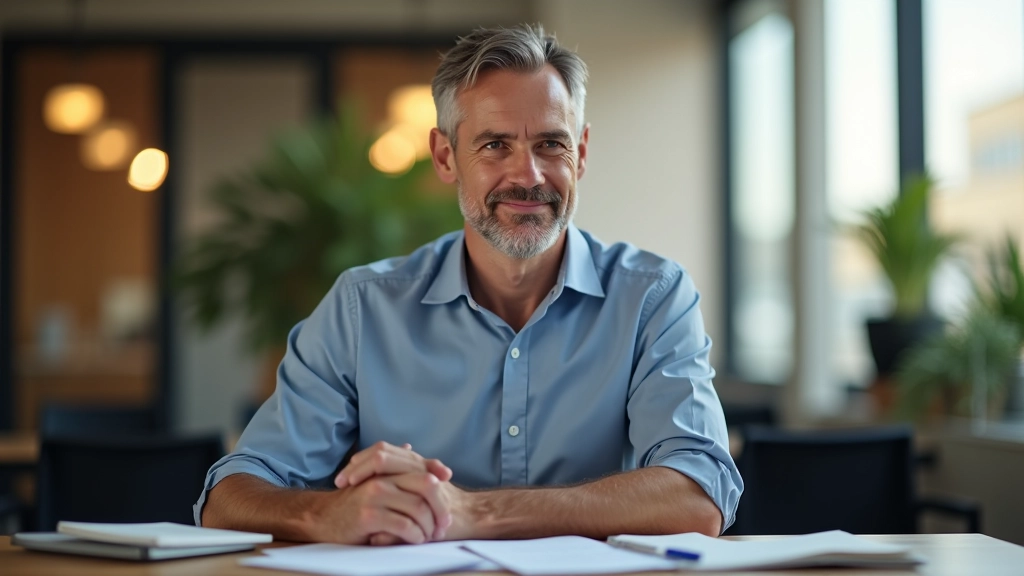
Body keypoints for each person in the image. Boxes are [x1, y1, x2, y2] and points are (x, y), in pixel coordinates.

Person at [196, 23, 742, 546]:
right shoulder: (362, 308)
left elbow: (698, 495)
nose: (527, 176)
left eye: (551, 144)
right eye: (494, 145)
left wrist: (472, 512)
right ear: (444, 156)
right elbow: (231, 496)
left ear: (580, 153)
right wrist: (325, 513)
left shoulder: (652, 296)